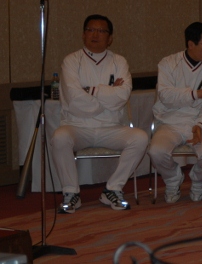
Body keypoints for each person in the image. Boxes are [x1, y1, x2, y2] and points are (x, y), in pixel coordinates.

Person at [51, 15, 148, 213]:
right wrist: (109, 95)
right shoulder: (71, 61)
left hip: (111, 127)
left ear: (110, 38)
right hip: (78, 126)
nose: (95, 34)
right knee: (60, 137)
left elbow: (123, 95)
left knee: (140, 138)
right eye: (90, 30)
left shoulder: (119, 62)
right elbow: (75, 101)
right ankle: (71, 193)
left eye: (101, 31)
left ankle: (113, 188)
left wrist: (91, 90)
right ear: (83, 34)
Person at [148, 22, 202, 203]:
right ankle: (173, 179)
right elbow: (166, 96)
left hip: (199, 123)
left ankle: (197, 181)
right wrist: (197, 94)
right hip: (169, 123)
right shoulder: (168, 64)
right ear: (191, 44)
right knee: (156, 151)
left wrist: (200, 125)